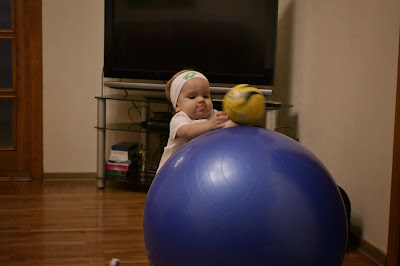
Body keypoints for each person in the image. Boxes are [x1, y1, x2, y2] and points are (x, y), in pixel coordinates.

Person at [157, 69, 235, 172]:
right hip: (173, 170)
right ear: (177, 105)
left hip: (200, 167)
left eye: (205, 96)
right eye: (192, 97)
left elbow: (228, 126)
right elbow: (186, 132)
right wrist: (210, 125)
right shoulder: (180, 118)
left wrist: (239, 120)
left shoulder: (213, 115)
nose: (201, 100)